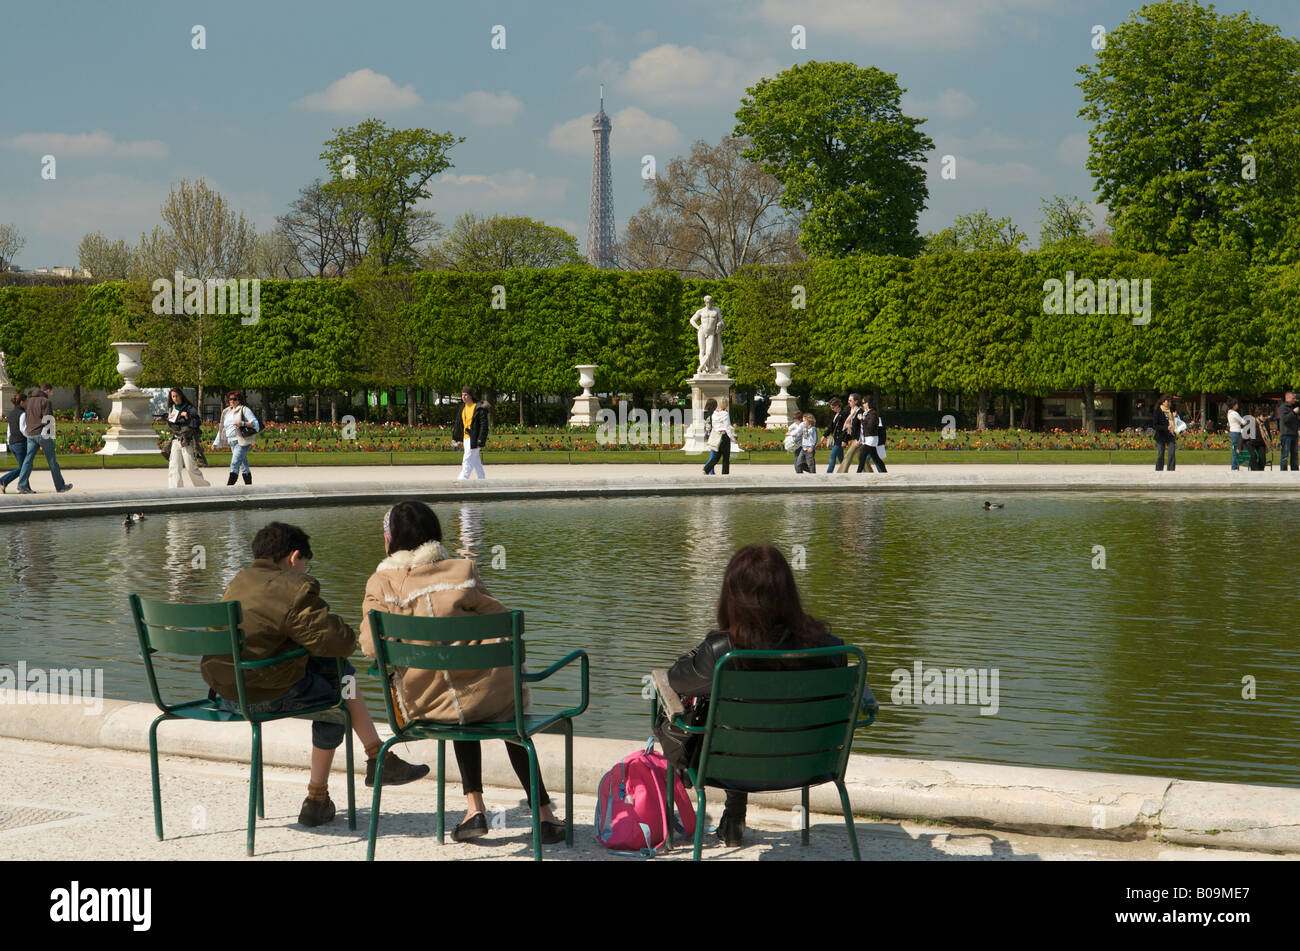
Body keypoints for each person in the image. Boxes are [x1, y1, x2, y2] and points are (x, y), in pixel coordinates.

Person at [359, 501, 567, 844]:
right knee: (497, 703)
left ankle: (475, 808)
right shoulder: (461, 571)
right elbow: (503, 620)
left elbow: (370, 646)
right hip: (492, 699)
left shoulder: (381, 584)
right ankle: (544, 814)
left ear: (391, 539)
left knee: (451, 695)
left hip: (427, 707)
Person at [202, 521, 429, 828]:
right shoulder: (293, 588)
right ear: (295, 557)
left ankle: (378, 759)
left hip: (226, 694)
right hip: (262, 696)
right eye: (305, 564)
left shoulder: (238, 581)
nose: (306, 570)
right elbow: (340, 642)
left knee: (335, 672)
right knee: (337, 698)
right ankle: (321, 795)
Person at [666, 545, 875, 848]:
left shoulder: (721, 653)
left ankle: (720, 812)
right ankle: (734, 814)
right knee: (745, 721)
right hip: (809, 766)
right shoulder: (832, 649)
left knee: (679, 711)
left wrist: (700, 649)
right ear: (789, 593)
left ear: (732, 596)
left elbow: (674, 679)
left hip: (727, 768)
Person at [14, 383, 72, 495]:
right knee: (52, 461)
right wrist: (51, 436)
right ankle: (60, 486)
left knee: (28, 460)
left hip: (31, 434)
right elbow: (48, 420)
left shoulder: (28, 402)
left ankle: (22, 485)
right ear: (48, 391)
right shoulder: (46, 402)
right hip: (43, 434)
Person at [213, 389, 259, 486]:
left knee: (234, 463)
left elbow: (255, 423)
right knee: (243, 464)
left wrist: (242, 423)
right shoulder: (226, 412)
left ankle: (229, 486)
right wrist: (215, 443)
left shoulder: (244, 409)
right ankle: (249, 486)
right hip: (231, 441)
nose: (232, 401)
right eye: (230, 399)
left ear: (239, 400)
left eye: (235, 399)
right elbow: (222, 429)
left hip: (241, 440)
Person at [165, 387, 209, 488]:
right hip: (176, 439)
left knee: (190, 467)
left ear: (181, 395)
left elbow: (197, 423)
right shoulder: (172, 409)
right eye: (173, 397)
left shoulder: (189, 408)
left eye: (177, 396)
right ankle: (175, 490)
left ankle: (203, 487)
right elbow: (172, 427)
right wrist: (168, 420)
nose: (175, 398)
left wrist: (187, 417)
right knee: (174, 466)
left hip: (187, 440)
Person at [452, 387, 490, 480]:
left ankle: (462, 481)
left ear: (471, 396)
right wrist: (455, 437)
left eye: (466, 395)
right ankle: (482, 480)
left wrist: (481, 440)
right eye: (462, 395)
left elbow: (483, 426)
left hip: (474, 438)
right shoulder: (462, 408)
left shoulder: (478, 408)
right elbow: (459, 424)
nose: (463, 397)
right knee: (476, 462)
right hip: (466, 438)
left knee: (467, 460)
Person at [1, 392, 28, 493]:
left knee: (24, 466)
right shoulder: (22, 413)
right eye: (26, 401)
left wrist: (9, 442)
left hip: (12, 443)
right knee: (24, 467)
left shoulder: (12, 414)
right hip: (20, 443)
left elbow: (9, 430)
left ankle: (25, 487)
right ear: (22, 402)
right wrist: (30, 437)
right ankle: (4, 480)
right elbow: (23, 429)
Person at [703, 397, 737, 475]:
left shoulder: (715, 413)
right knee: (726, 457)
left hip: (717, 434)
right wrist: (733, 438)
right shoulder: (725, 413)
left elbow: (714, 425)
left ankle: (706, 469)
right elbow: (727, 427)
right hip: (724, 436)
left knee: (716, 456)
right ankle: (725, 473)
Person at [856, 396, 887, 474]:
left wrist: (861, 419)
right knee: (876, 458)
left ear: (868, 403)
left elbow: (869, 427)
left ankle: (858, 473)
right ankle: (884, 473)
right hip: (869, 438)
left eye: (863, 403)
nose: (862, 405)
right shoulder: (867, 413)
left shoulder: (873, 414)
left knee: (862, 456)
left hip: (871, 438)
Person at [836, 393, 865, 473]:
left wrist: (859, 440)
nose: (848, 402)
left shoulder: (860, 411)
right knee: (862, 459)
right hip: (855, 438)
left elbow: (862, 427)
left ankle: (841, 473)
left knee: (848, 455)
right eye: (848, 400)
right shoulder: (851, 412)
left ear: (856, 401)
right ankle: (870, 473)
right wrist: (845, 439)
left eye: (850, 400)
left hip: (859, 439)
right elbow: (849, 428)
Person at [823, 397, 849, 473]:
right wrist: (824, 435)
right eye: (831, 407)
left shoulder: (843, 414)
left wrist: (844, 440)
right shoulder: (835, 414)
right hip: (836, 439)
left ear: (838, 405)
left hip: (840, 439)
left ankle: (829, 473)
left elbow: (846, 428)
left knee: (832, 456)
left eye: (833, 407)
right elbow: (831, 427)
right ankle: (844, 472)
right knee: (841, 458)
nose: (832, 409)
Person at [1276, 391, 1299, 471]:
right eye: (1293, 398)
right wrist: (1293, 412)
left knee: (1295, 455)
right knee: (1285, 455)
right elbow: (1285, 419)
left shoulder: (1294, 406)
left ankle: (1295, 471)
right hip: (1286, 434)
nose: (1295, 400)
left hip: (1294, 434)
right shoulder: (1283, 408)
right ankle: (1283, 472)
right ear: (1287, 398)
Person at [1153, 394, 1177, 471]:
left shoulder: (1171, 411)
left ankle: (1171, 470)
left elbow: (1175, 422)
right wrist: (1165, 428)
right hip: (1161, 435)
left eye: (1170, 402)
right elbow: (1155, 425)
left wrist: (1175, 417)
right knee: (1160, 454)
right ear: (1163, 402)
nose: (1169, 403)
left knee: (1172, 453)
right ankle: (1159, 470)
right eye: (1168, 401)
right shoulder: (1158, 411)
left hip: (1170, 435)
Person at [1226, 398, 1246, 471]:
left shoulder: (1229, 413)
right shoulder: (1235, 413)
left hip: (1232, 431)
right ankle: (1234, 466)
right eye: (1236, 404)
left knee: (1234, 449)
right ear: (1234, 405)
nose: (1237, 405)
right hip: (1236, 432)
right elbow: (1243, 422)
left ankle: (1235, 466)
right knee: (1236, 450)